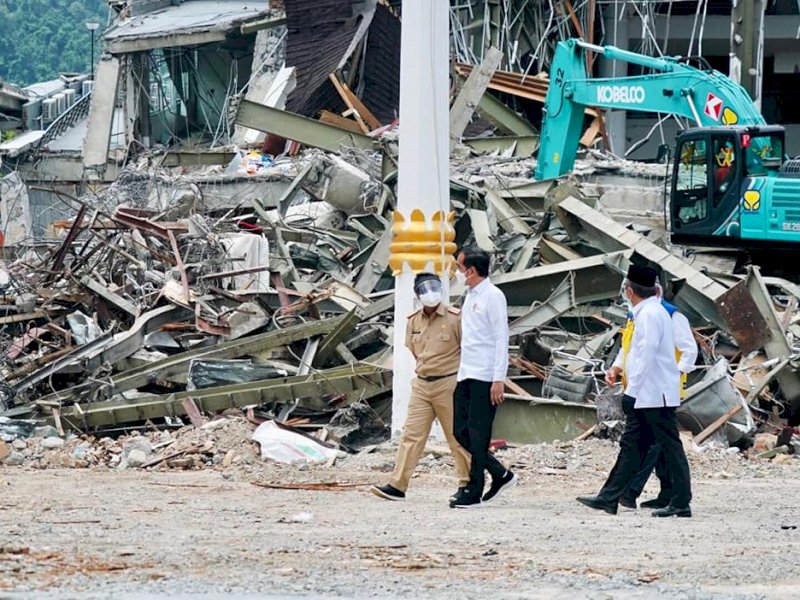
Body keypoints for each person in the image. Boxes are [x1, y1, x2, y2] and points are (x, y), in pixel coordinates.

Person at [577, 265, 693, 518]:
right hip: (648, 392)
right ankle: (610, 497)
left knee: (668, 447)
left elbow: (646, 356)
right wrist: (620, 370)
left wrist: (633, 392)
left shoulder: (651, 315)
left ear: (630, 291)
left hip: (654, 394)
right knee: (632, 445)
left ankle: (681, 501)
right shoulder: (644, 313)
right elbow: (632, 351)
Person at [371, 272, 471, 501]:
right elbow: (414, 350)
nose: (431, 293)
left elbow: (468, 349)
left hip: (449, 383)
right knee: (411, 436)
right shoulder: (413, 321)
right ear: (417, 294)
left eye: (434, 287)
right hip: (422, 385)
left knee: (457, 437)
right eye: (425, 289)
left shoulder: (455, 318)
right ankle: (397, 485)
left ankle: (467, 483)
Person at [611, 283, 698, 510]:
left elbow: (689, 350)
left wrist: (672, 372)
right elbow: (629, 348)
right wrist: (617, 368)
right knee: (654, 441)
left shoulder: (670, 315)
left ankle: (630, 494)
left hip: (660, 389)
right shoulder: (637, 314)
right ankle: (667, 493)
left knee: (653, 443)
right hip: (641, 387)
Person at [450, 247, 516, 509]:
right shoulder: (469, 296)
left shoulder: (493, 296)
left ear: (471, 270)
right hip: (466, 371)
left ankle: (473, 491)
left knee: (478, 435)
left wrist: (498, 378)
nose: (456, 271)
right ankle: (500, 473)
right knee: (459, 431)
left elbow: (502, 337)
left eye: (459, 267)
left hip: (485, 376)